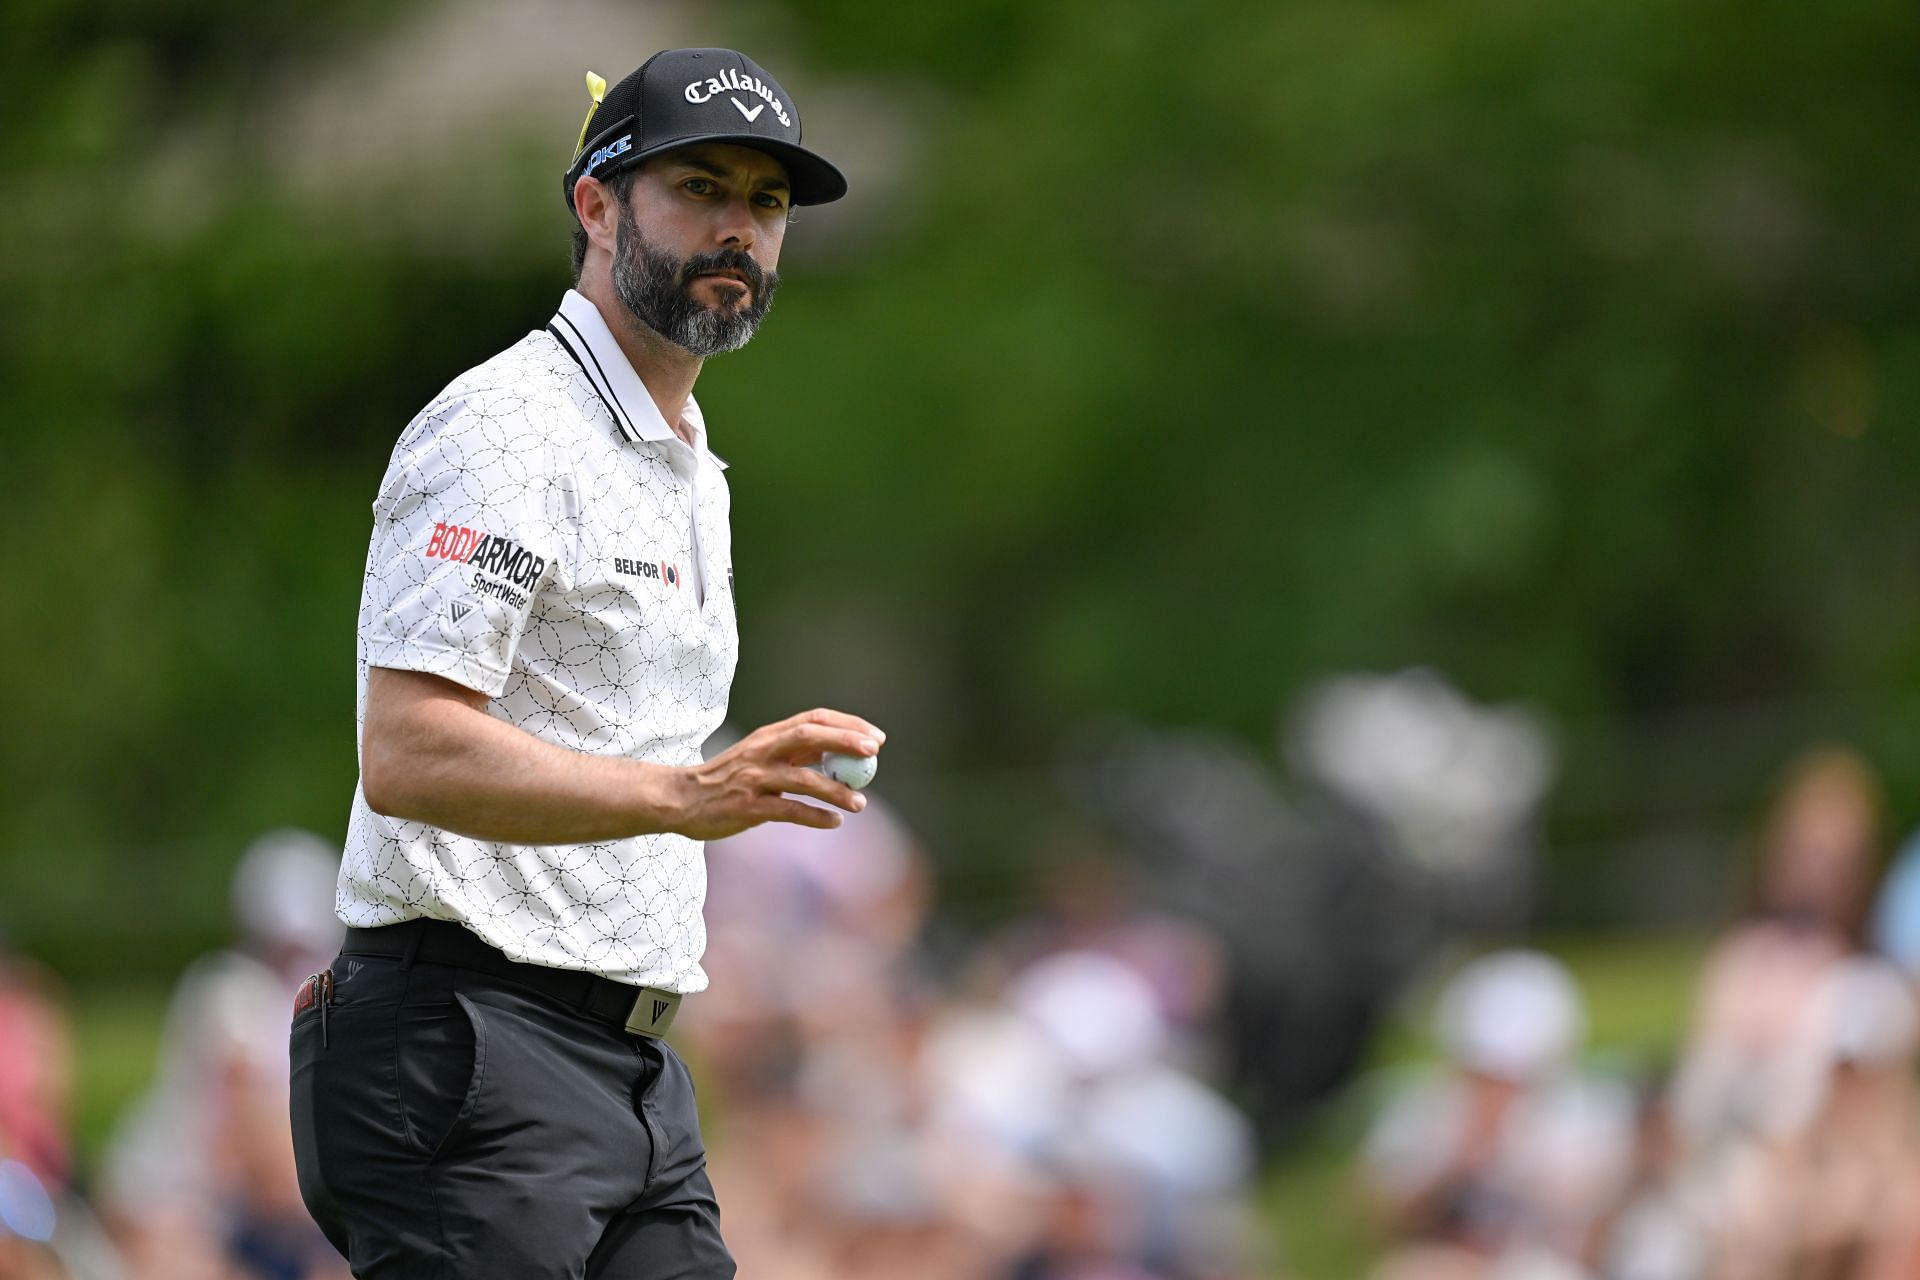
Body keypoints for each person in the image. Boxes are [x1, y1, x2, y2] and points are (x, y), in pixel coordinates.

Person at [288, 47, 882, 1280]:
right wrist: (693, 797)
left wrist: (708, 787)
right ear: (595, 205)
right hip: (466, 1051)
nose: (738, 229)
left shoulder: (683, 455)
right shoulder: (508, 428)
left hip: (635, 1069)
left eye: (765, 204)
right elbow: (407, 750)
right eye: (700, 189)